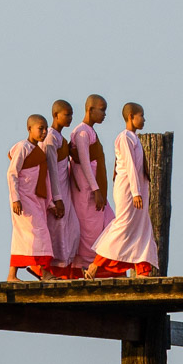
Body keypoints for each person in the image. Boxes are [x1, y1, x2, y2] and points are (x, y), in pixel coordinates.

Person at [85, 102, 158, 279]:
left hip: (138, 190)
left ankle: (143, 270)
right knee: (123, 225)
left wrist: (140, 191)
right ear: (131, 116)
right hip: (128, 190)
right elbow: (130, 166)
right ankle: (96, 264)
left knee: (142, 227)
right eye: (141, 115)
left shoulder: (134, 138)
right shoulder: (124, 137)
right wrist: (135, 192)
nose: (144, 119)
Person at [6, 114, 56, 282]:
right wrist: (15, 198)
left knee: (32, 236)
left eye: (46, 129)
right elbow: (12, 173)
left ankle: (14, 274)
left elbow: (44, 180)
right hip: (23, 199)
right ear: (29, 129)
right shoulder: (23, 147)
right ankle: (44, 272)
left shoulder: (39, 150)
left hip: (36, 200)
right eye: (40, 128)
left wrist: (50, 203)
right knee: (39, 234)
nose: (44, 132)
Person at [70, 94, 115, 269]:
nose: (104, 114)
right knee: (89, 230)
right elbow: (85, 163)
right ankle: (86, 267)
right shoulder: (81, 132)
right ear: (90, 109)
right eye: (102, 110)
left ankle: (99, 266)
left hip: (95, 189)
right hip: (86, 190)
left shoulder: (89, 131)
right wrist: (96, 190)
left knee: (110, 223)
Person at [41, 99, 82, 278]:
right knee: (57, 230)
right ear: (55, 115)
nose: (70, 118)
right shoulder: (50, 137)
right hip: (56, 190)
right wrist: (56, 199)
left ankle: (65, 271)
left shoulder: (60, 138)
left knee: (73, 230)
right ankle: (48, 270)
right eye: (67, 114)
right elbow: (51, 170)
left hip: (65, 190)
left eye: (72, 114)